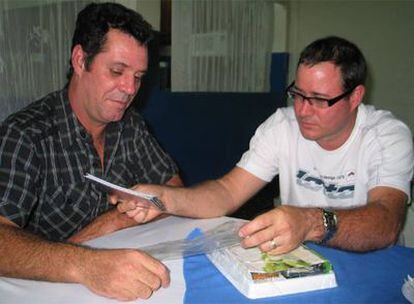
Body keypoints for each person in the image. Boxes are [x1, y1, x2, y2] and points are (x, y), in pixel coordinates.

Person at [115, 36, 414, 255]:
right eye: (297, 94)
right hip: (303, 256)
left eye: (319, 100)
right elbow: (226, 192)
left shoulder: (386, 135)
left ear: (355, 97)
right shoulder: (282, 127)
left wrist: (309, 222)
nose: (303, 110)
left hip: (376, 261)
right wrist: (163, 198)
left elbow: (386, 222)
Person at [0, 2, 182, 301]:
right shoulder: (26, 134)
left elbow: (175, 192)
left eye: (138, 76)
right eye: (117, 71)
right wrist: (84, 261)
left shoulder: (130, 125)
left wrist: (112, 222)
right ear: (80, 60)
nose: (129, 88)